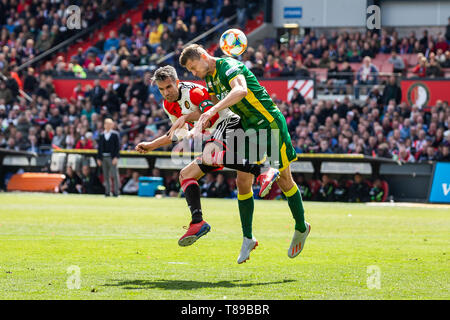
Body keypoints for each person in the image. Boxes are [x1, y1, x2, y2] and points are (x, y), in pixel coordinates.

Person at [179, 44, 311, 263]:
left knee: (286, 180)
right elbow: (211, 105)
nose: (194, 74)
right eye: (191, 71)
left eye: (194, 67)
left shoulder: (228, 66)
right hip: (248, 128)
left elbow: (241, 91)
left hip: (269, 124)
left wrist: (211, 110)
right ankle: (248, 237)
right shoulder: (210, 78)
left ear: (203, 57)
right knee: (242, 180)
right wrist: (189, 118)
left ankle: (300, 226)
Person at [135, 66, 277, 254]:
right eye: (161, 89)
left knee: (213, 156)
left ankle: (263, 170)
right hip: (215, 136)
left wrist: (191, 124)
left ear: (176, 82)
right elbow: (178, 131)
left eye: (169, 87)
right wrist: (152, 144)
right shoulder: (168, 105)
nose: (166, 93)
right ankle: (197, 222)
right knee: (185, 175)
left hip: (231, 124)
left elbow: (211, 115)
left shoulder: (194, 92)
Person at [97, 118, 121, 197]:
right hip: (104, 157)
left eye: (110, 124)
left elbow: (117, 147)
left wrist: (116, 157)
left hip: (112, 157)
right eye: (106, 124)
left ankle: (116, 192)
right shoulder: (102, 135)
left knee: (114, 175)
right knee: (106, 176)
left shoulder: (115, 134)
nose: (108, 125)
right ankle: (107, 192)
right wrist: (99, 158)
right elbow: (99, 148)